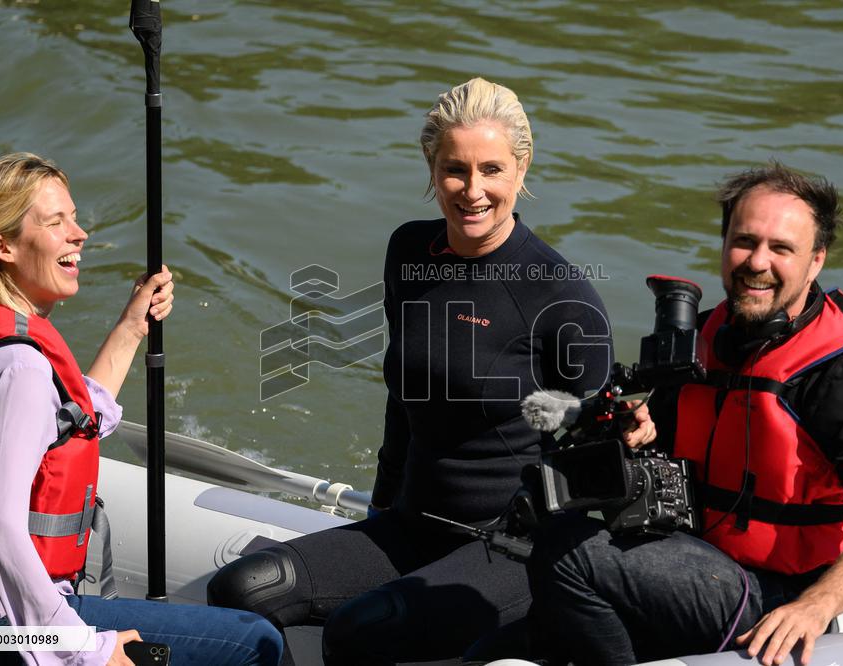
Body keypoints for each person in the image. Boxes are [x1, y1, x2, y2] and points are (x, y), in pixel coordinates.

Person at [207, 78, 641, 665]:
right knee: (242, 590)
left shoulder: (561, 296)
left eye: (491, 169)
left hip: (512, 546)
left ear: (521, 168)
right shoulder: (409, 252)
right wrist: (383, 502)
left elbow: (600, 459)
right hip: (412, 525)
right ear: (431, 169)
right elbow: (402, 397)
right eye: (454, 169)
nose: (472, 190)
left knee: (362, 631)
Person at [527, 162, 843, 666]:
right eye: (744, 241)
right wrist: (636, 434)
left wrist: (814, 607)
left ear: (816, 260)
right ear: (723, 241)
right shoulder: (701, 338)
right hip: (692, 562)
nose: (757, 262)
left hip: (778, 595)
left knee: (568, 552)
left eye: (781, 249)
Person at [0, 153, 283, 666]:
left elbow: (68, 424)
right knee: (252, 642)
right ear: (2, 245)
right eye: (55, 222)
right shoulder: (16, 369)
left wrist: (131, 328)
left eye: (74, 218)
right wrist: (83, 650)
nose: (79, 234)